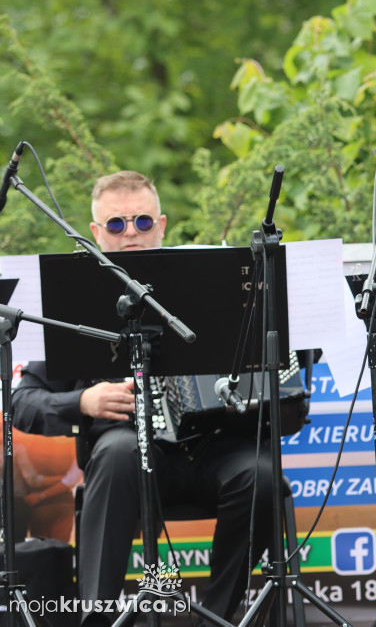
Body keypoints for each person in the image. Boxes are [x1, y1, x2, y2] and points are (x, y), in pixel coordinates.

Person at [12, 171, 275, 627]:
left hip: (216, 446)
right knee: (115, 451)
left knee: (263, 475)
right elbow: (23, 402)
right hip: (129, 456)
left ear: (163, 224)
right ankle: (99, 617)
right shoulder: (70, 295)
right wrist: (83, 402)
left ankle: (216, 615)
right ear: (95, 232)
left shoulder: (212, 284)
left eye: (142, 222)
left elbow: (279, 356)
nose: (130, 233)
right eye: (116, 225)